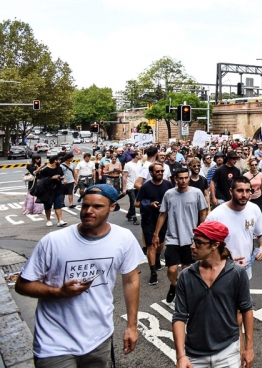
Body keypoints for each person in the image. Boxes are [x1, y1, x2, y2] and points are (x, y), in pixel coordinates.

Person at [16, 184, 141, 366]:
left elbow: (130, 280)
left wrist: (132, 326)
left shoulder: (124, 238)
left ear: (112, 207)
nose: (89, 211)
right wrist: (59, 292)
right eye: (85, 206)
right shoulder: (54, 241)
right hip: (54, 345)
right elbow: (22, 285)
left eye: (97, 207)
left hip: (99, 340)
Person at [172, 221, 255, 368]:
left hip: (228, 352)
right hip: (194, 355)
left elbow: (246, 309)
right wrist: (181, 356)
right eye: (193, 241)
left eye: (198, 243)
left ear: (215, 245)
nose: (192, 246)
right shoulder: (186, 276)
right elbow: (179, 316)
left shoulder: (237, 273)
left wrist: (248, 348)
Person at [153, 167, 209, 304]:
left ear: (189, 178)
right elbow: (163, 214)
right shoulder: (169, 194)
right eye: (181, 178)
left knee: (186, 269)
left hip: (190, 238)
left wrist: (201, 233)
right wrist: (156, 234)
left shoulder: (196, 193)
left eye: (186, 178)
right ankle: (175, 285)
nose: (183, 181)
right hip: (173, 237)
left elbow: (203, 212)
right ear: (175, 179)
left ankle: (184, 294)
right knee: (172, 269)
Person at [207, 176, 262, 280]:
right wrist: (225, 261)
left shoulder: (254, 209)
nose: (244, 195)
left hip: (244, 273)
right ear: (231, 191)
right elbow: (203, 246)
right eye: (240, 190)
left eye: (247, 191)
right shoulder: (215, 216)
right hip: (221, 274)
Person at [137, 162, 172, 286]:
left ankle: (157, 258)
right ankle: (153, 273)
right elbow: (137, 203)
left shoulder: (168, 185)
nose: (160, 173)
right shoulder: (145, 187)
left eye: (162, 171)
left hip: (163, 219)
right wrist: (150, 204)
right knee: (152, 244)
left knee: (161, 242)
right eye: (158, 171)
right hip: (149, 220)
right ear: (151, 173)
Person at [37, 154, 67, 228]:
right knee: (48, 206)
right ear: (54, 161)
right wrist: (51, 178)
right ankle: (48, 220)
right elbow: (40, 180)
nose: (59, 161)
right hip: (48, 191)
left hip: (58, 189)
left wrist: (63, 179)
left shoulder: (59, 168)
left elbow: (62, 175)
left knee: (58, 206)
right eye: (58, 160)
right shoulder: (45, 170)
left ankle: (60, 220)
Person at [122, 150, 142, 225]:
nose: (141, 155)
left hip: (138, 185)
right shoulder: (128, 165)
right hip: (130, 186)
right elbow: (125, 177)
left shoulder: (140, 163)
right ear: (136, 155)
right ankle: (134, 218)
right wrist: (124, 188)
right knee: (134, 202)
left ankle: (129, 214)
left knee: (136, 201)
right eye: (140, 154)